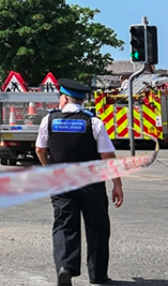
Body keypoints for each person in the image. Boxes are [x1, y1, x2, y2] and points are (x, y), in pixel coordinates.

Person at [36, 78, 123, 286]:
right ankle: (98, 275)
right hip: (91, 184)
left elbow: (40, 149)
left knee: (65, 226)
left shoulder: (48, 120)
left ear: (64, 98)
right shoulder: (93, 122)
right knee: (97, 228)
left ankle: (65, 267)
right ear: (82, 100)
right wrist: (117, 184)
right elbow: (107, 157)